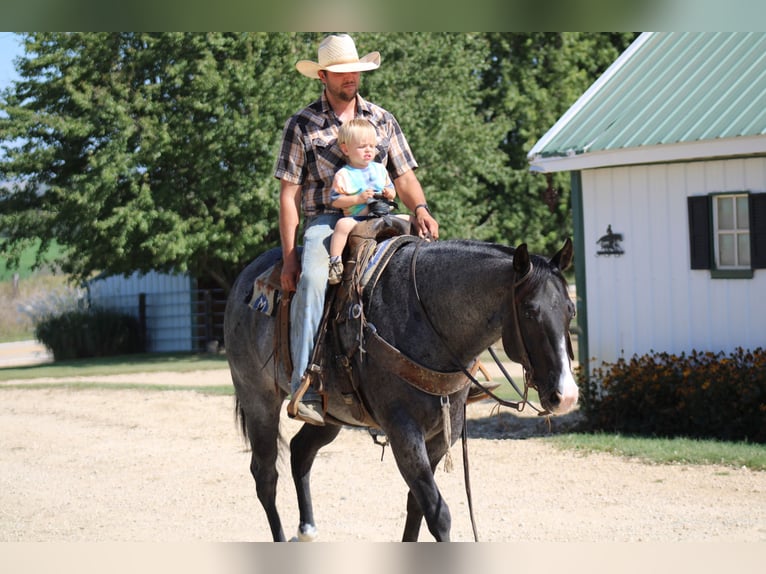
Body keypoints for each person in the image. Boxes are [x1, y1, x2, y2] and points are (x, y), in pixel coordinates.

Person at [274, 33, 439, 426]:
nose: (352, 77)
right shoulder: (302, 125)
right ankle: (305, 383)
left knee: (431, 265)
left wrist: (420, 207)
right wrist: (289, 256)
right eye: (343, 72)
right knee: (314, 279)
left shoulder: (382, 119)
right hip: (328, 221)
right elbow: (288, 196)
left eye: (356, 71)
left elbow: (404, 176)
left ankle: (443, 371)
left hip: (385, 215)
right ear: (324, 76)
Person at [328, 118, 411, 285]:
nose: (368, 150)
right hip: (358, 217)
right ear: (345, 149)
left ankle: (418, 251)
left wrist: (390, 193)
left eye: (372, 146)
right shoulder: (344, 175)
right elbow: (336, 201)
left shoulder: (380, 169)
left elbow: (391, 190)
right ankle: (335, 262)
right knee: (342, 225)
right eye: (361, 146)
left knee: (411, 219)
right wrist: (358, 199)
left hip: (383, 215)